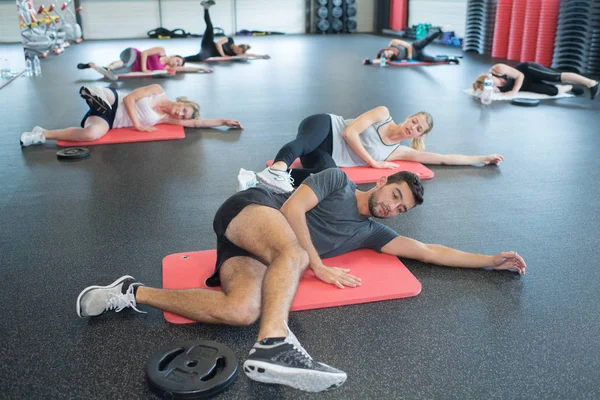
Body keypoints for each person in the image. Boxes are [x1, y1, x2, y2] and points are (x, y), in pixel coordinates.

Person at [75, 168, 526, 392]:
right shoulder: (339, 181)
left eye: (401, 208)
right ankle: (275, 344)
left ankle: (129, 292)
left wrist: (490, 260)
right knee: (291, 249)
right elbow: (291, 211)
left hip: (252, 255)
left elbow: (430, 252)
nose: (392, 207)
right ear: (385, 181)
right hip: (253, 211)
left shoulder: (374, 232)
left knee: (241, 311)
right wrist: (319, 264)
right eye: (394, 195)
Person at [244, 107, 503, 193]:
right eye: (415, 121)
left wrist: (482, 158)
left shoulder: (398, 152)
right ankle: (277, 169)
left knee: (328, 174)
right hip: (325, 126)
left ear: (420, 135)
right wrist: (372, 162)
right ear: (409, 117)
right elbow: (349, 132)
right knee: (305, 143)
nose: (413, 127)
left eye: (419, 128)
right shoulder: (383, 114)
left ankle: (257, 180)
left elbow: (443, 159)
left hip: (327, 155)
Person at [20, 84, 242, 146]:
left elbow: (198, 123)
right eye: (184, 109)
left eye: (184, 115)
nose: (181, 114)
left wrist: (223, 121)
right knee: (104, 94)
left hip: (108, 119)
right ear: (182, 101)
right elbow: (129, 99)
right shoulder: (157, 90)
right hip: (115, 100)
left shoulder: (164, 119)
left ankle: (41, 134)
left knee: (92, 135)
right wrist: (138, 125)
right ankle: (91, 94)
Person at [183, 1, 269, 63]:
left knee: (201, 57)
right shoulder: (230, 40)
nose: (236, 51)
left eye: (238, 52)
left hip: (208, 51)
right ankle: (206, 8)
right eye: (238, 49)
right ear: (238, 46)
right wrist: (223, 55)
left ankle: (182, 59)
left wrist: (261, 56)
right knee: (210, 27)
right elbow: (218, 44)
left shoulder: (234, 54)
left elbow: (249, 55)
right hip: (209, 43)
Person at [472, 62, 600, 99]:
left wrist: (513, 92)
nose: (494, 86)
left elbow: (519, 76)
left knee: (555, 77)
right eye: (490, 87)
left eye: (492, 83)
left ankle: (592, 83)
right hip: (526, 85)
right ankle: (572, 88)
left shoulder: (498, 69)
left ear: (489, 77)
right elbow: (481, 93)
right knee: (552, 91)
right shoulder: (492, 88)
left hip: (528, 71)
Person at [77, 47, 212, 81]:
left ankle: (91, 65)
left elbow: (186, 68)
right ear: (173, 56)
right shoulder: (161, 51)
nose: (176, 63)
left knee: (115, 75)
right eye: (177, 60)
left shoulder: (166, 67)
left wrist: (201, 69)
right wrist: (144, 68)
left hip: (133, 67)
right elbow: (145, 53)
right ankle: (108, 67)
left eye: (178, 64)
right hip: (133, 54)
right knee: (124, 63)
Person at [363, 28, 459, 65]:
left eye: (387, 53)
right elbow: (379, 60)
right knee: (431, 59)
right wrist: (369, 61)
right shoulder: (392, 58)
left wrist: (409, 58)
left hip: (414, 47)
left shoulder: (393, 43)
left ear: (387, 49)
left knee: (426, 40)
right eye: (387, 56)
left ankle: (439, 31)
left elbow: (408, 46)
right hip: (417, 56)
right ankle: (450, 59)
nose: (388, 55)